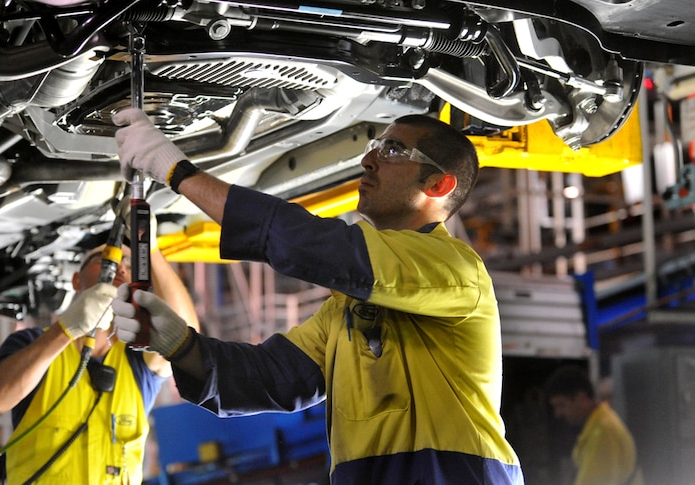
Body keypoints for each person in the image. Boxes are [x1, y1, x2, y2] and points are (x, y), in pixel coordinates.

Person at [108, 108, 524, 484]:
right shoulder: (347, 311)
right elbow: (273, 377)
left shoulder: (455, 269)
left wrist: (178, 172)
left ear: (439, 184)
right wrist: (176, 343)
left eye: (393, 150)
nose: (368, 159)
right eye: (374, 144)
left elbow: (313, 246)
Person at [0, 243, 199, 484]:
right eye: (106, 260)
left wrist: (150, 248)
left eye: (130, 265)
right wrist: (65, 330)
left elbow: (183, 338)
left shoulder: (138, 358)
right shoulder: (35, 343)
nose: (121, 270)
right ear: (77, 280)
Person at [544, 365, 643, 485]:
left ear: (582, 398)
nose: (557, 414)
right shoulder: (598, 426)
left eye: (562, 405)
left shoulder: (603, 433)